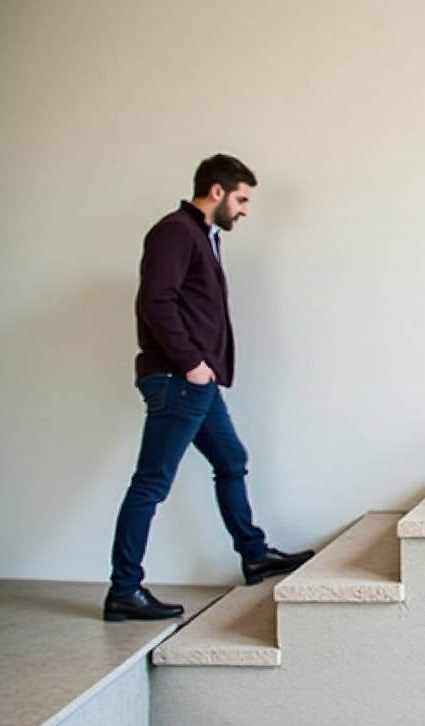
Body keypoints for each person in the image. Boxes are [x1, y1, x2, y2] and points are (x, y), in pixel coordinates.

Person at [104, 154, 313, 622]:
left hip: (196, 382)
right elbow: (156, 301)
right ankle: (124, 590)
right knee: (151, 482)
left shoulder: (203, 235)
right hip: (179, 378)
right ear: (216, 191)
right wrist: (192, 363)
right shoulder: (176, 232)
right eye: (241, 199)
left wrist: (203, 370)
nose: (245, 210)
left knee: (231, 459)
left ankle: (254, 554)